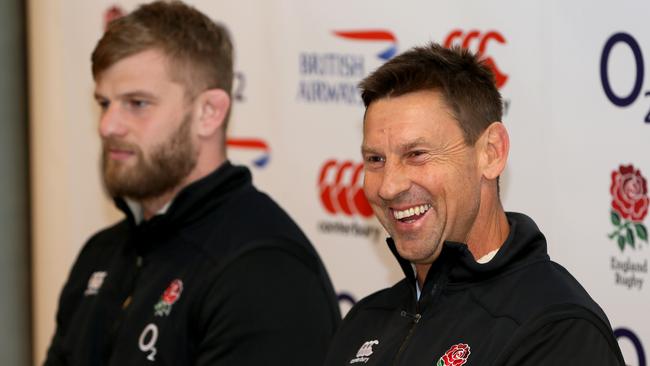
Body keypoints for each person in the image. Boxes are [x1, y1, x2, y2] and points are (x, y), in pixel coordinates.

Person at [44, 1, 340, 365]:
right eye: (104, 103)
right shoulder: (102, 252)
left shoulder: (264, 271)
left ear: (209, 113)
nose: (108, 126)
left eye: (137, 103)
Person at [324, 43, 625, 365]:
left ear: (491, 153)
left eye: (416, 155)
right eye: (375, 159)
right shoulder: (365, 319)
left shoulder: (557, 330)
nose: (389, 186)